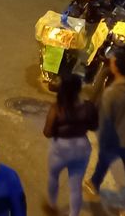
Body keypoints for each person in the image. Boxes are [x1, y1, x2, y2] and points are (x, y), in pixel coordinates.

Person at [84, 51, 125, 216]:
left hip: (115, 139)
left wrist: (103, 140)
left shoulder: (111, 93)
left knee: (104, 160)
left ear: (116, 68)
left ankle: (94, 183)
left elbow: (106, 121)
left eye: (113, 62)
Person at [42, 74, 98, 216]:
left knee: (53, 176)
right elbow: (94, 126)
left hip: (60, 149)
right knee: (75, 186)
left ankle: (52, 205)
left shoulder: (57, 108)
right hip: (81, 148)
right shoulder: (88, 107)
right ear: (78, 89)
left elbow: (47, 132)